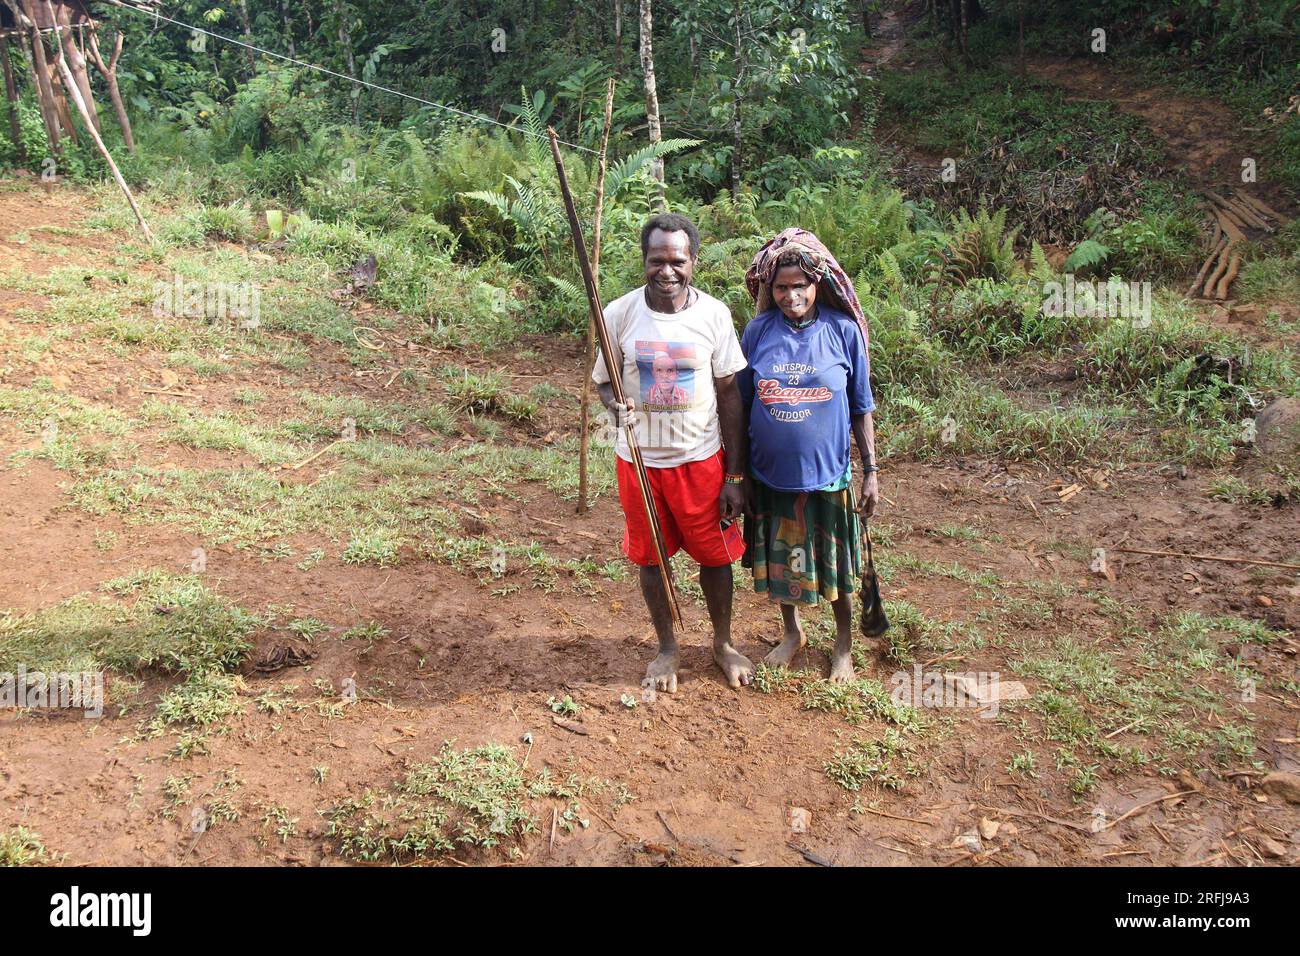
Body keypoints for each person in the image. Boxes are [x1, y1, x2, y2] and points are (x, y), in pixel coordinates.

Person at [592, 212, 754, 692]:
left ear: (693, 262)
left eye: (677, 261)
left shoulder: (714, 315)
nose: (667, 271)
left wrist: (734, 477)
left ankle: (722, 644)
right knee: (651, 559)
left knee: (716, 559)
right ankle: (667, 648)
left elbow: (730, 394)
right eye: (657, 260)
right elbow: (604, 383)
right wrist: (614, 406)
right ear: (644, 261)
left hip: (701, 463)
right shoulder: (618, 314)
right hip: (640, 463)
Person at [737, 228, 881, 683]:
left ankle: (842, 646)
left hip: (829, 477)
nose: (791, 295)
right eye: (781, 287)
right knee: (783, 562)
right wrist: (737, 476)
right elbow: (740, 406)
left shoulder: (843, 332)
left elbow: (861, 406)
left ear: (817, 285)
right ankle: (792, 632)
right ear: (769, 289)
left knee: (834, 565)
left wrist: (871, 472)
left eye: (800, 285)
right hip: (771, 475)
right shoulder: (758, 332)